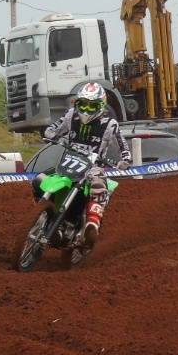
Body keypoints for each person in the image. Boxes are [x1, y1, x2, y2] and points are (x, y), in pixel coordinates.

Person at [37, 82, 131, 242]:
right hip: (68, 162)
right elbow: (51, 129)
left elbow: (123, 147)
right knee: (38, 180)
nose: (86, 110)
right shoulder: (71, 115)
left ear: (101, 106)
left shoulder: (110, 125)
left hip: (93, 167)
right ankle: (40, 215)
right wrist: (52, 135)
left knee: (98, 184)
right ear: (77, 103)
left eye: (91, 106)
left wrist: (125, 160)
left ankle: (92, 225)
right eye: (83, 105)